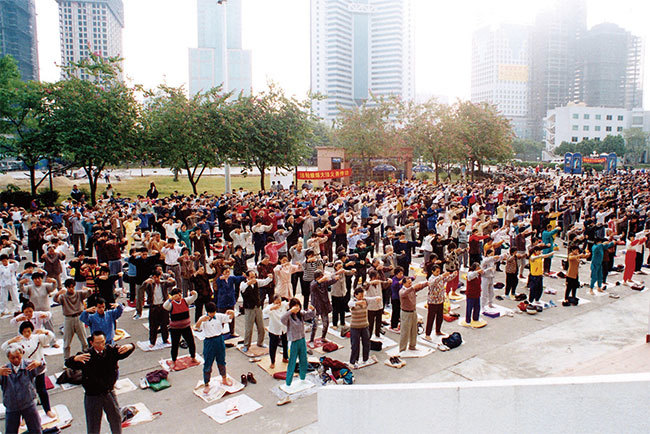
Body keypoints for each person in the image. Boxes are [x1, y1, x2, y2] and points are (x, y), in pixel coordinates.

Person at [65, 331, 135, 434]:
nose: (100, 345)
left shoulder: (111, 351)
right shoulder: (86, 355)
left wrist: (130, 346)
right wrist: (74, 359)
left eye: (102, 342)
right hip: (93, 395)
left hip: (109, 392)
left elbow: (128, 349)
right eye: (97, 343)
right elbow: (68, 363)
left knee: (115, 419)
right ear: (92, 343)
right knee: (93, 425)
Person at [2, 322, 55, 418]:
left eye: (29, 331)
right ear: (21, 332)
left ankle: (47, 410)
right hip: (25, 369)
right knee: (26, 392)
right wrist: (11, 341)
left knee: (42, 390)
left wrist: (45, 331)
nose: (27, 333)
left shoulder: (37, 337)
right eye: (24, 331)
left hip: (38, 367)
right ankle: (25, 417)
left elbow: (51, 336)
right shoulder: (18, 341)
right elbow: (4, 347)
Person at [277, 298, 316, 406]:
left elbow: (310, 315)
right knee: (292, 362)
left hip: (302, 340)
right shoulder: (289, 316)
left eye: (299, 306)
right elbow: (282, 319)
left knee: (304, 360)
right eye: (296, 306)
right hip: (293, 342)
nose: (298, 308)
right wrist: (291, 311)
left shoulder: (301, 315)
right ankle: (288, 383)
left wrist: (313, 310)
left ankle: (302, 377)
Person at [0, 343, 43, 434]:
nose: (16, 360)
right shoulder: (4, 370)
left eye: (18, 357)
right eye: (12, 358)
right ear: (8, 357)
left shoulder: (29, 365)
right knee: (10, 431)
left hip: (28, 404)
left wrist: (39, 363)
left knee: (36, 429)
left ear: (22, 354)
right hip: (11, 406)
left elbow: (42, 367)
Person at [194, 303, 234, 393]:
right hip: (209, 341)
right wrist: (200, 320)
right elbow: (196, 327)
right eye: (211, 313)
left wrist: (232, 313)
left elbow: (229, 318)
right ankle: (206, 384)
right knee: (208, 364)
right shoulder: (203, 318)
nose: (212, 314)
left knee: (221, 361)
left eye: (214, 312)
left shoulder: (219, 316)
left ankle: (224, 378)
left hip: (219, 339)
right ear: (207, 312)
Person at [54, 278, 91, 358]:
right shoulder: (63, 296)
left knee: (84, 341)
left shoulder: (79, 293)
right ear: (66, 288)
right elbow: (56, 300)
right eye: (69, 287)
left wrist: (88, 289)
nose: (71, 289)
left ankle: (86, 357)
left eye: (72, 287)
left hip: (79, 317)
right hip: (68, 318)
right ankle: (66, 360)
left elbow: (89, 293)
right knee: (66, 342)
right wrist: (58, 293)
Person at [163, 288, 198, 370]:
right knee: (175, 345)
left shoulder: (185, 301)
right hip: (175, 328)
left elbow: (193, 297)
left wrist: (194, 293)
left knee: (191, 343)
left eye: (180, 294)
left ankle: (193, 357)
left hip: (186, 327)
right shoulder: (171, 304)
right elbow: (165, 306)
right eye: (177, 295)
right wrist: (171, 299)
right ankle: (174, 360)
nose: (179, 296)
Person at [240, 270, 272, 352]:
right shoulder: (243, 284)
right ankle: (246, 345)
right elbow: (243, 288)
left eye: (254, 277)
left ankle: (260, 342)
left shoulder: (256, 282)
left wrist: (270, 278)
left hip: (257, 307)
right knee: (249, 328)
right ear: (247, 277)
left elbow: (264, 282)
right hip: (249, 308)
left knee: (261, 326)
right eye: (251, 277)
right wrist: (249, 283)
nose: (253, 279)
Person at [142, 271, 175, 347]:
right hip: (154, 307)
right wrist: (145, 282)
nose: (156, 279)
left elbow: (173, 283)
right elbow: (142, 288)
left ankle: (165, 339)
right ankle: (152, 342)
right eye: (154, 277)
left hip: (163, 306)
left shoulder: (163, 283)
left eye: (157, 277)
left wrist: (172, 278)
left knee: (165, 324)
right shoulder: (150, 285)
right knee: (153, 326)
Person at [424, 266, 457, 340]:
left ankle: (438, 330)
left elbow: (447, 279)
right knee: (431, 318)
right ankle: (427, 333)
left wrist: (453, 275)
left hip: (440, 300)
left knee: (440, 317)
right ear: (432, 271)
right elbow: (433, 282)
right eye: (437, 272)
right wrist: (442, 276)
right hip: (432, 301)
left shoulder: (440, 277)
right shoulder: (431, 278)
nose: (438, 273)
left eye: (439, 271)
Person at [398, 277, 428, 352]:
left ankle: (412, 345)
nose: (410, 284)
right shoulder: (402, 291)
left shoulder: (411, 289)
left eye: (411, 282)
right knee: (405, 331)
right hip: (405, 313)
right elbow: (406, 292)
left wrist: (426, 283)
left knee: (414, 330)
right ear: (404, 283)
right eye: (409, 283)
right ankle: (402, 348)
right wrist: (413, 287)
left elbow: (419, 287)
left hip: (413, 311)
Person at [309, 270, 339, 344]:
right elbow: (313, 286)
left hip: (324, 305)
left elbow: (331, 281)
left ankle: (323, 337)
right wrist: (322, 279)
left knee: (326, 323)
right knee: (314, 324)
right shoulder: (313, 283)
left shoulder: (324, 283)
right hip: (315, 306)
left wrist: (336, 278)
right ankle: (312, 339)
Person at [216, 267, 246, 336]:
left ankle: (232, 331)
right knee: (221, 317)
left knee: (231, 317)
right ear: (222, 272)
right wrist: (221, 278)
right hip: (222, 301)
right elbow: (217, 283)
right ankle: (219, 332)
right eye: (226, 272)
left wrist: (243, 276)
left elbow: (238, 278)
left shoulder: (231, 278)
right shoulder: (220, 279)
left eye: (228, 272)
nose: (227, 274)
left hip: (230, 300)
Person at [263, 295, 289, 369]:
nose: (279, 304)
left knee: (285, 344)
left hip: (283, 328)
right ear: (273, 302)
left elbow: (289, 304)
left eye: (280, 302)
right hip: (274, 329)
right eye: (277, 302)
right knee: (273, 346)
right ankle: (272, 362)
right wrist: (272, 308)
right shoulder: (270, 307)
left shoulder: (283, 305)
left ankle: (285, 357)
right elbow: (264, 311)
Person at [348, 287, 370, 368]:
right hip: (355, 327)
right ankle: (353, 361)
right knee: (355, 345)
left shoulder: (365, 300)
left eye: (362, 295)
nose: (361, 297)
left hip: (365, 325)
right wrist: (358, 302)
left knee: (366, 343)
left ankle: (365, 358)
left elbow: (371, 299)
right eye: (360, 296)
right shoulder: (352, 301)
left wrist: (377, 298)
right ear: (355, 295)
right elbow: (349, 304)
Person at [462, 263, 486, 328]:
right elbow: (470, 276)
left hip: (477, 293)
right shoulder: (470, 273)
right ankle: (468, 320)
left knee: (477, 307)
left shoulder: (478, 274)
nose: (479, 268)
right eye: (478, 267)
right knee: (469, 307)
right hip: (471, 293)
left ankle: (476, 318)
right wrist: (478, 271)